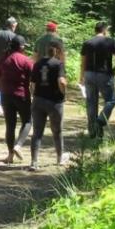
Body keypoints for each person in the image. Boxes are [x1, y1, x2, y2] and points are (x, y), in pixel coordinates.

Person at [81, 20, 115, 137]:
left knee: (91, 102)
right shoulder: (110, 42)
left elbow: (83, 62)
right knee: (111, 100)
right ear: (104, 30)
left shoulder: (87, 43)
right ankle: (100, 122)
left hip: (89, 74)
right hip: (104, 74)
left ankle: (92, 131)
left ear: (95, 30)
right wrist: (114, 70)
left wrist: (81, 77)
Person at [29, 40, 68, 170]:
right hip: (55, 102)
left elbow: (32, 85)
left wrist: (35, 96)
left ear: (45, 51)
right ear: (56, 50)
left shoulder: (37, 64)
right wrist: (64, 93)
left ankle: (34, 162)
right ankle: (59, 158)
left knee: (37, 132)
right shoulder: (58, 64)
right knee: (57, 131)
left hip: (39, 100)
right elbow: (61, 81)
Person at [0, 37, 34, 164]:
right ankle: (19, 145)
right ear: (21, 47)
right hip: (22, 95)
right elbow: (33, 80)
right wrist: (34, 94)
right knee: (27, 121)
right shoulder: (26, 60)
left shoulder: (3, 59)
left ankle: (10, 155)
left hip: (6, 95)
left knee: (10, 125)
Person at [0, 17, 19, 117]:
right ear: (12, 25)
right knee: (8, 85)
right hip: (9, 64)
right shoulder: (14, 36)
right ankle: (6, 107)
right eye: (15, 26)